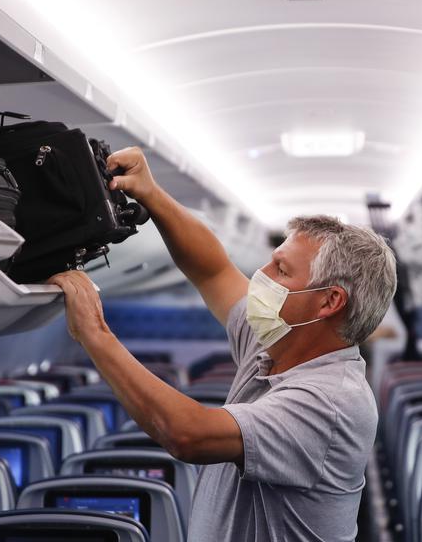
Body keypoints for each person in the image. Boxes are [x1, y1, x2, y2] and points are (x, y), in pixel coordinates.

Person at [48, 146, 398, 541]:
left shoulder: (332, 401)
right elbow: (212, 269)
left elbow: (187, 434)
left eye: (280, 269)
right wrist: (151, 193)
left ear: (329, 301)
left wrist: (94, 333)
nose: (260, 275)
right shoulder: (275, 345)